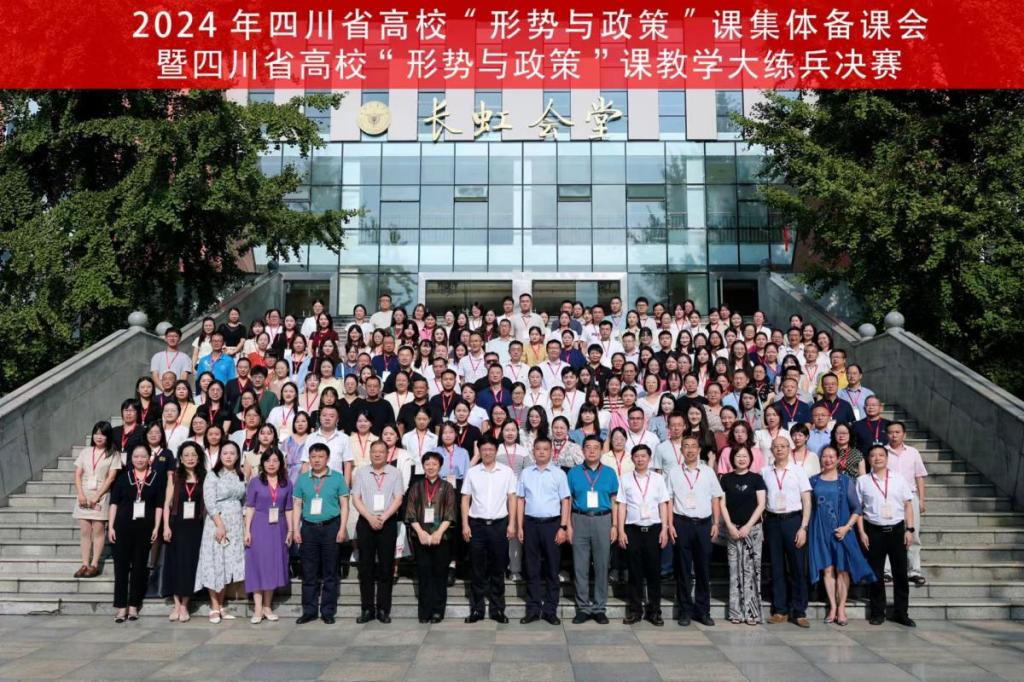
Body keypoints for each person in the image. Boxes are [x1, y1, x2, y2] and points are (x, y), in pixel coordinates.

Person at [808, 446, 875, 626]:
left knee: (842, 569)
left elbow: (857, 508)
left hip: (842, 531)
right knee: (827, 570)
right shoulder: (813, 481)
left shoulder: (845, 481)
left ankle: (841, 608)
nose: (828, 459)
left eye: (832, 456)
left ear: (838, 459)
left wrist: (847, 527)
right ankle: (832, 606)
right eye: (824, 456)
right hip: (820, 532)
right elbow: (809, 507)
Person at [665, 435, 723, 627]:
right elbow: (669, 499)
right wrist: (670, 524)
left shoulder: (708, 472)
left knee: (703, 570)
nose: (689, 450)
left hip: (704, 524)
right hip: (681, 523)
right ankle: (684, 611)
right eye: (686, 446)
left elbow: (715, 498)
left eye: (693, 446)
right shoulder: (673, 472)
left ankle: (703, 611)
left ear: (699, 450)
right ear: (681, 450)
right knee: (682, 570)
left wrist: (716, 523)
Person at [857, 445, 917, 627]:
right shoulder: (863, 481)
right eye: (873, 455)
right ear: (868, 459)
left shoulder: (899, 479)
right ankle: (877, 612)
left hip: (897, 531)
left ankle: (901, 612)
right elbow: (858, 509)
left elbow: (908, 505)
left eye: (881, 455)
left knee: (900, 574)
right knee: (875, 574)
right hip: (874, 531)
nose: (877, 458)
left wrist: (910, 529)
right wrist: (862, 532)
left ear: (887, 458)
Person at [291, 442, 350, 625]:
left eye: (321, 456)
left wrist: (342, 528)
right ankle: (309, 611)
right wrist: (295, 529)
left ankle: (327, 611)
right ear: (309, 459)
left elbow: (344, 505)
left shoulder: (337, 478)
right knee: (309, 572)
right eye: (313, 457)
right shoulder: (302, 479)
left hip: (331, 527)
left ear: (328, 458)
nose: (317, 460)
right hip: (308, 528)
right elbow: (297, 505)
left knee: (330, 571)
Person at [516, 437, 571, 625]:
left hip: (552, 525)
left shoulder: (559, 474)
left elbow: (565, 501)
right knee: (531, 568)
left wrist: (563, 527)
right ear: (533, 451)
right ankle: (532, 609)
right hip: (530, 524)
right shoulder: (526, 473)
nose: (541, 452)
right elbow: (520, 500)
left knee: (552, 569)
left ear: (551, 452)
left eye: (545, 449)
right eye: (538, 448)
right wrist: (519, 526)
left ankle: (550, 610)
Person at [461, 437, 517, 623]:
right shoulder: (472, 472)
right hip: (476, 525)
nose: (487, 452)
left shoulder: (506, 472)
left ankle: (497, 609)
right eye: (484, 449)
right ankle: (477, 609)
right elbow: (465, 499)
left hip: (499, 525)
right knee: (477, 569)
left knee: (498, 568)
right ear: (479, 451)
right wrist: (465, 524)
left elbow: (512, 498)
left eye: (490, 449)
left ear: (496, 451)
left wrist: (512, 524)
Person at [108, 443, 165, 622]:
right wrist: (111, 526)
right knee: (121, 568)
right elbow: (114, 503)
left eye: (143, 456)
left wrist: (156, 527)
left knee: (140, 567)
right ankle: (121, 607)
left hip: (145, 528)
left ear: (149, 458)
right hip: (122, 527)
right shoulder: (123, 478)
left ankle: (133, 605)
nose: (140, 459)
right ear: (131, 459)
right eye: (136, 456)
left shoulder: (156, 478)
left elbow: (159, 505)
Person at [616, 444, 671, 625]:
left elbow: (663, 504)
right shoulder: (625, 479)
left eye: (643, 456)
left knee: (654, 572)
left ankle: (654, 611)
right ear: (632, 459)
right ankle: (635, 611)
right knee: (634, 572)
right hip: (633, 529)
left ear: (649, 458)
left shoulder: (658, 479)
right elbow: (622, 505)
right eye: (637, 456)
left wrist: (664, 528)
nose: (640, 459)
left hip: (654, 529)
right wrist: (621, 530)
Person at [566, 435, 618, 624]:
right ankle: (583, 608)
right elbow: (568, 500)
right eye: (588, 447)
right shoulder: (573, 473)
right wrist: (568, 525)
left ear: (602, 450)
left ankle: (599, 608)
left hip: (603, 520)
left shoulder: (610, 473)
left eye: (596, 447)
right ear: (582, 450)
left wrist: (614, 525)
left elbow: (615, 501)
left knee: (602, 565)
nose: (592, 451)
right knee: (580, 566)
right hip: (579, 519)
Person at [762, 437, 813, 628]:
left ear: (789, 449)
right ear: (771, 450)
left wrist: (803, 527)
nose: (779, 449)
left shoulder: (798, 471)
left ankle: (799, 611)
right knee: (776, 567)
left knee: (798, 567)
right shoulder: (765, 472)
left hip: (793, 521)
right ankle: (780, 610)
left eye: (783, 446)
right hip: (773, 521)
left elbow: (806, 500)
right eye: (776, 447)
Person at [352, 441, 405, 623]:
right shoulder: (361, 472)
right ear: (370, 453)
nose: (377, 454)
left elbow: (398, 498)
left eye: (381, 452)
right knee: (365, 567)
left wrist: (383, 517)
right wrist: (370, 518)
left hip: (387, 523)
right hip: (366, 522)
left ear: (387, 454)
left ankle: (383, 609)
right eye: (374, 451)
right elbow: (356, 498)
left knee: (386, 567)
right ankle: (367, 609)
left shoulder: (395, 473)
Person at [196, 441, 246, 623]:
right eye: (225, 453)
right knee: (215, 562)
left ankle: (222, 604)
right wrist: (219, 524)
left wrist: (244, 523)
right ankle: (214, 606)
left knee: (226, 564)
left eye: (232, 453)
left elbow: (245, 501)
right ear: (220, 455)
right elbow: (209, 502)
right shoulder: (213, 475)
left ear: (237, 456)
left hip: (236, 524)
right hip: (217, 522)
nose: (228, 456)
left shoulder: (241, 475)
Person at [243, 448, 294, 624]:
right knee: (258, 565)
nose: (271, 464)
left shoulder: (287, 483)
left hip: (278, 527)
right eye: (268, 461)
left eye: (275, 461)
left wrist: (291, 530)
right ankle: (257, 608)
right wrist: (247, 530)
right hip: (259, 525)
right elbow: (250, 507)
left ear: (281, 463)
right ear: (262, 463)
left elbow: (289, 508)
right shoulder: (255, 482)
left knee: (272, 565)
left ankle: (267, 606)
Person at [406, 451, 457, 623]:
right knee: (424, 574)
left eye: (434, 464)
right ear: (423, 466)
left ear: (440, 466)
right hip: (420, 537)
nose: (431, 467)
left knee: (439, 574)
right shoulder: (416, 486)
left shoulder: (447, 487)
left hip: (441, 538)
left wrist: (438, 533)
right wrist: (421, 533)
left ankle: (437, 611)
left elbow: (450, 513)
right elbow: (411, 512)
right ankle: (425, 611)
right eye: (427, 464)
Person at [719, 446, 767, 625]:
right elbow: (722, 504)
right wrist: (730, 526)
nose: (741, 459)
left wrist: (748, 526)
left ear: (750, 458)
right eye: (738, 456)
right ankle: (736, 612)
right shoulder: (726, 479)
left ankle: (752, 613)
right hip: (732, 530)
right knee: (735, 571)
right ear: (732, 458)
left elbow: (761, 505)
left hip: (752, 530)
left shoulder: (757, 479)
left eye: (745, 456)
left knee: (751, 571)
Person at [161, 441, 206, 622]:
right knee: (175, 563)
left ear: (199, 458)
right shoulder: (174, 477)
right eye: (186, 455)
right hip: (176, 525)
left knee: (190, 564)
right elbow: (167, 503)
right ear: (180, 457)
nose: (190, 458)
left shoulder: (205, 477)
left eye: (193, 455)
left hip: (195, 527)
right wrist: (166, 526)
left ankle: (185, 604)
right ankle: (176, 604)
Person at [886, 421, 928, 586]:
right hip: (888, 498)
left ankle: (914, 571)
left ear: (904, 434)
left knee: (913, 534)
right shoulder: (882, 452)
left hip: (910, 497)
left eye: (897, 432)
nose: (894, 435)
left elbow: (919, 476)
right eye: (891, 432)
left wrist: (922, 500)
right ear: (887, 434)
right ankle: (887, 571)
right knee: (887, 533)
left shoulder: (913, 452)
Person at [73, 422, 118, 578]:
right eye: (96, 433)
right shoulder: (85, 452)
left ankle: (94, 564)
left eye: (103, 434)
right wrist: (80, 494)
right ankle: (84, 563)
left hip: (101, 494)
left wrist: (97, 496)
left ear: (108, 437)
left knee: (98, 530)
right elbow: (77, 474)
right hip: (84, 493)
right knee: (85, 531)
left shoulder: (113, 454)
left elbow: (111, 478)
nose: (99, 437)